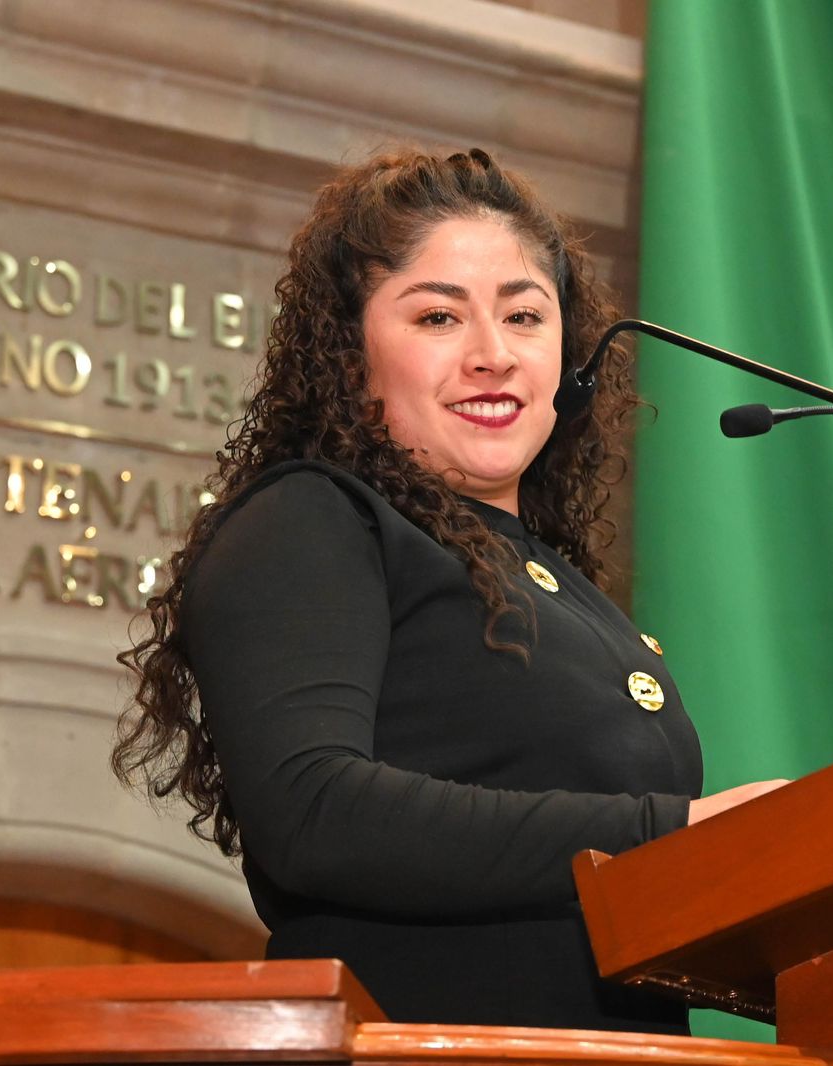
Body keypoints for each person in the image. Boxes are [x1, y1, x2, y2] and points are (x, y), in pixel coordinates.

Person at [112, 148, 786, 1034]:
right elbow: (315, 811)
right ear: (349, 353)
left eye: (525, 316)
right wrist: (674, 833)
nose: (493, 355)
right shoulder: (312, 519)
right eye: (438, 316)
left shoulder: (556, 579)